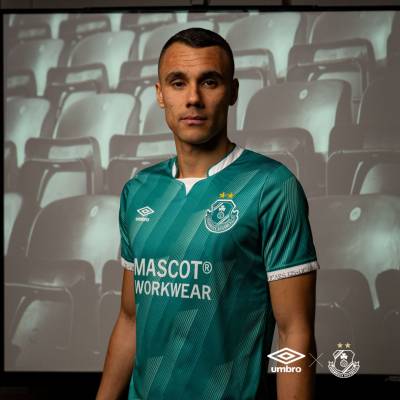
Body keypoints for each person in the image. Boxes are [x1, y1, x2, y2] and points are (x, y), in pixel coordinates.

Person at [96, 27, 320, 400]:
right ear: (160, 94)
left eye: (209, 82)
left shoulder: (272, 186)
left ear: (232, 92)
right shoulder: (139, 190)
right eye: (178, 83)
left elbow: (294, 331)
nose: (193, 98)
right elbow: (130, 319)